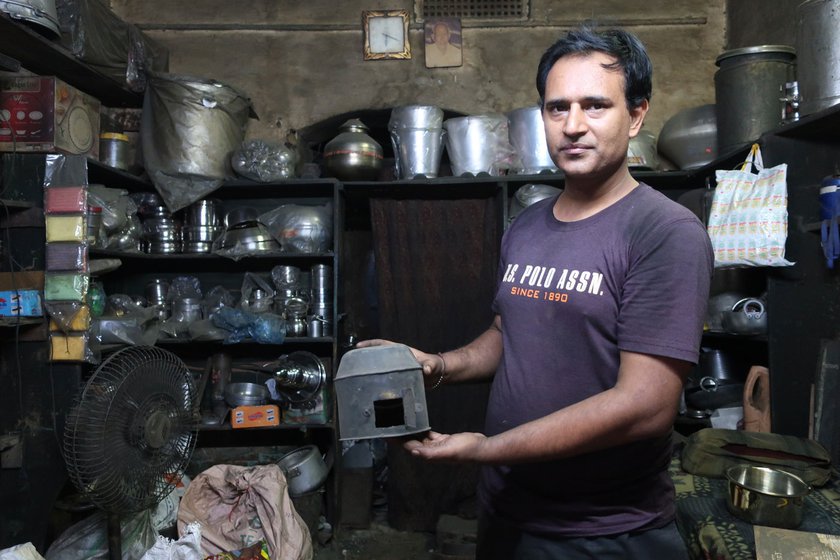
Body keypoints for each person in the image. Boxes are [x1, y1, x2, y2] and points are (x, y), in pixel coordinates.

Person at [359, 25, 713, 559]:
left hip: (604, 531)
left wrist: (490, 449)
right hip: (506, 511)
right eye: (556, 108)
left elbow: (645, 407)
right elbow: (510, 331)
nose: (573, 126)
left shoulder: (665, 232)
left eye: (595, 106)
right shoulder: (528, 226)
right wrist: (438, 365)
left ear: (636, 114)